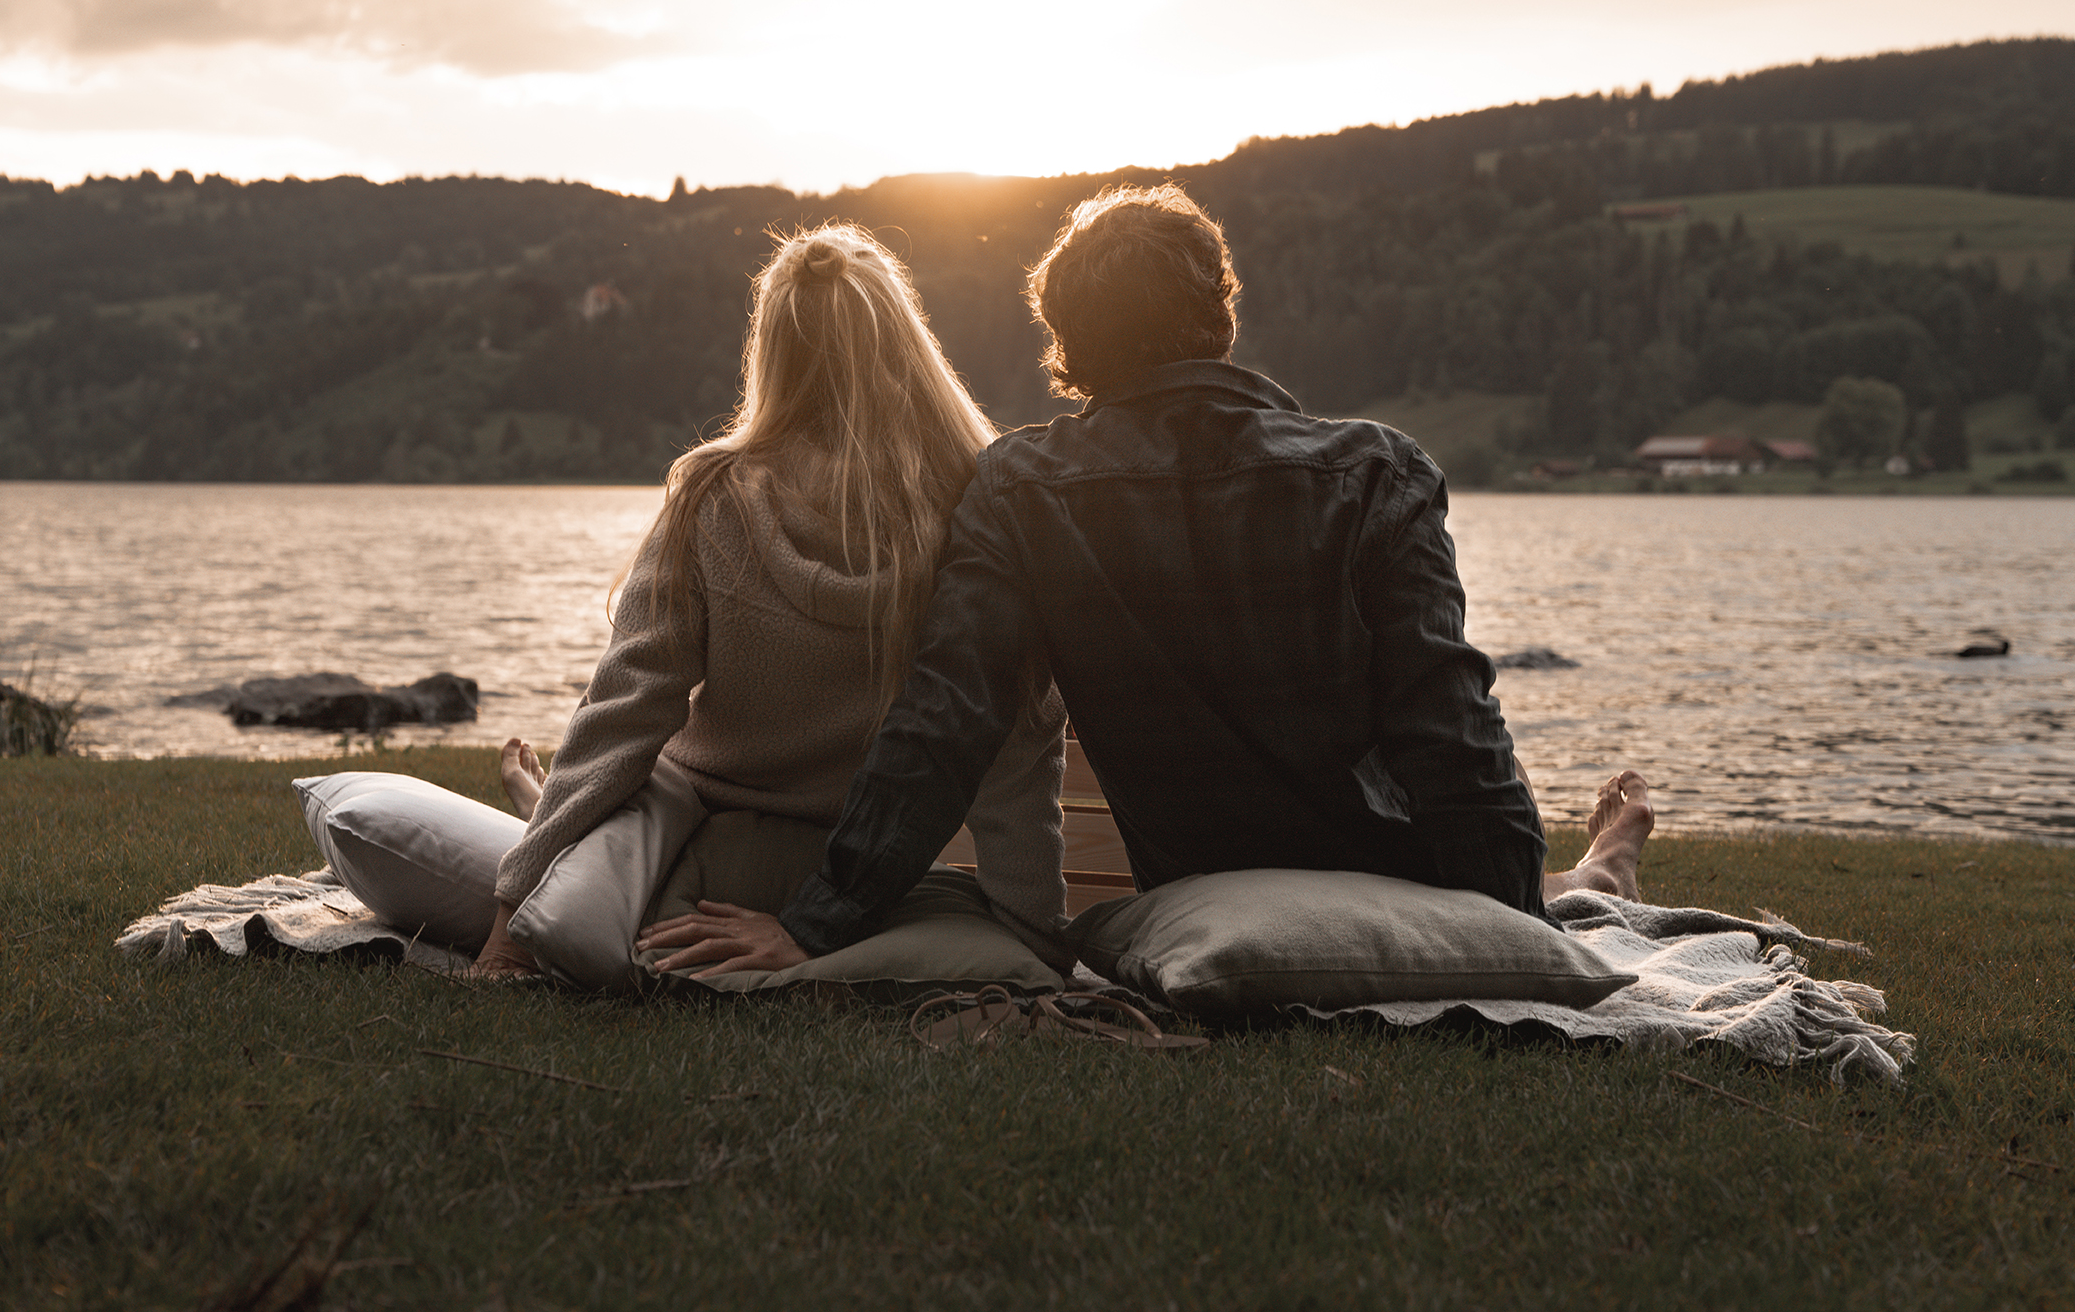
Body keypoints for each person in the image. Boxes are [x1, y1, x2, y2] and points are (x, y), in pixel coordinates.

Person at [640, 185, 1654, 976]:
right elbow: (1450, 730)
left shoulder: (1024, 487)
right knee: (1568, 893)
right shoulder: (1375, 468)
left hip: (1206, 882)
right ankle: (1598, 868)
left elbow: (946, 724)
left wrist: (814, 925)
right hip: (1407, 866)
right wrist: (1511, 917)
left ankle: (1601, 867)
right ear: (1219, 315)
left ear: (1066, 350)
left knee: (1574, 893)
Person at [471, 223, 1068, 981]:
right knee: (608, 826)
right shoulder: (979, 504)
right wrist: (1034, 935)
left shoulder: (713, 498)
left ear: (772, 353)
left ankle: (544, 817)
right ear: (906, 342)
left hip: (697, 851)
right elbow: (1018, 738)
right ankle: (549, 814)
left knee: (561, 830)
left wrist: (507, 920)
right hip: (865, 868)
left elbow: (623, 713)